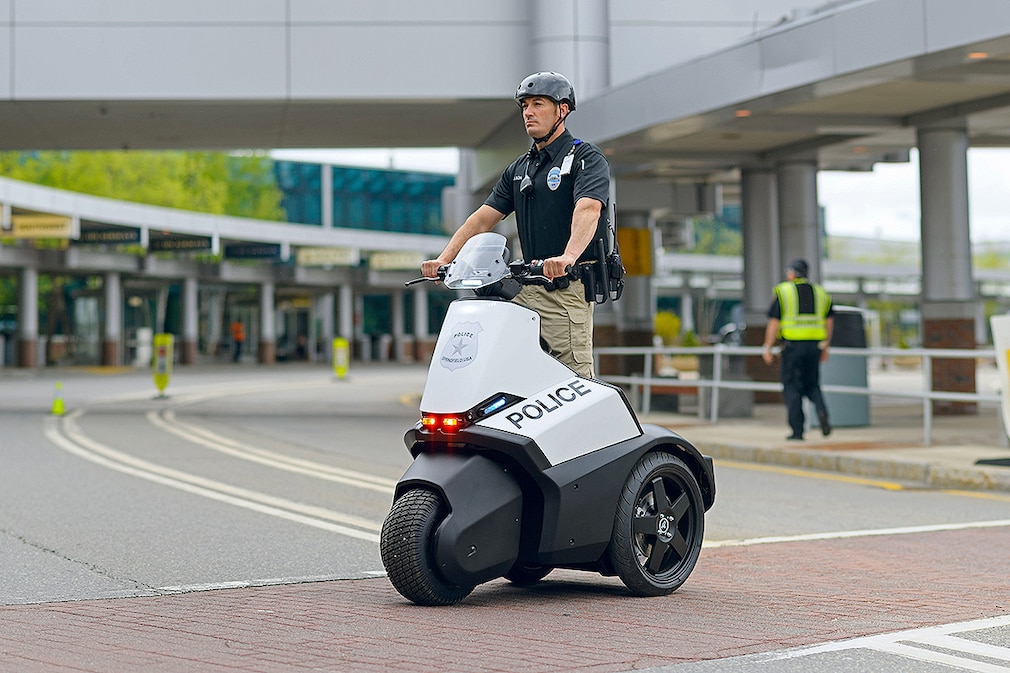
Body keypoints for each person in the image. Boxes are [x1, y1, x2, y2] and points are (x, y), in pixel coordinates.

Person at [421, 72, 611, 378]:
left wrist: (568, 257)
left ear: (562, 110)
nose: (528, 112)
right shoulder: (521, 168)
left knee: (573, 383)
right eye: (524, 105)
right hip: (523, 290)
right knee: (508, 375)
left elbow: (588, 208)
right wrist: (445, 260)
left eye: (538, 104)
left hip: (564, 289)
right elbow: (482, 219)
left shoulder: (585, 158)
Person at [762, 258, 835, 440]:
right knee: (812, 385)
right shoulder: (821, 292)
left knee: (792, 387)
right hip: (815, 346)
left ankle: (797, 431)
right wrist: (826, 345)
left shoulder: (784, 291)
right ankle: (822, 411)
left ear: (793, 273)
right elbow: (829, 320)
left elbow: (774, 322)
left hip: (792, 347)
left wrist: (767, 347)